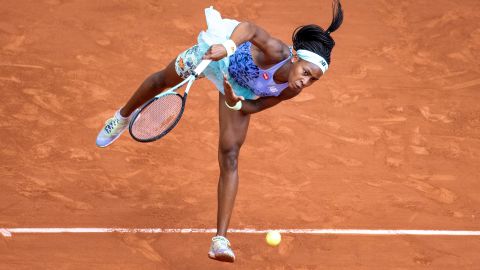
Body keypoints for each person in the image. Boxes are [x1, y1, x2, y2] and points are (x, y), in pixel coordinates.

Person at [96, 0, 343, 263]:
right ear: (295, 57)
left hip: (237, 89)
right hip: (216, 55)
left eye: (313, 79)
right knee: (162, 80)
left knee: (230, 155)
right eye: (306, 72)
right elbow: (249, 29)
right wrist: (226, 47)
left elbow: (255, 106)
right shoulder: (276, 51)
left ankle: (219, 241)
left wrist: (234, 100)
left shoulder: (292, 89)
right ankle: (122, 117)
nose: (306, 81)